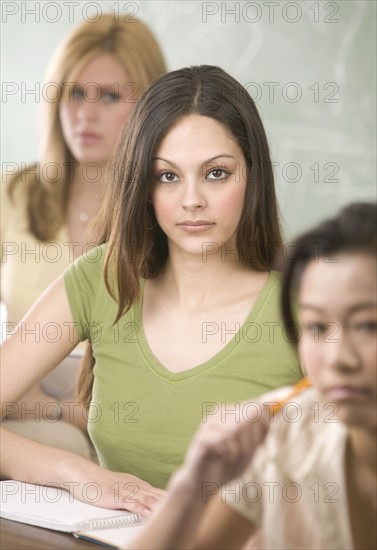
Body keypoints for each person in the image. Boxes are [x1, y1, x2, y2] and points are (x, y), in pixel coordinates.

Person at [1, 65, 303, 515]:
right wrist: (79, 474)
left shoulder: (304, 304)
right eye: (167, 176)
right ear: (142, 185)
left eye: (217, 173)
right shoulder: (100, 280)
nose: (192, 200)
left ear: (253, 176)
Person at [126, 202, 377, 549]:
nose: (338, 358)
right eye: (317, 326)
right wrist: (192, 485)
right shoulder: (285, 430)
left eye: (367, 325)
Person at [1, 13, 166, 449]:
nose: (85, 114)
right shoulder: (12, 193)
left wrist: (61, 411)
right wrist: (36, 403)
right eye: (74, 93)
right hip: (17, 396)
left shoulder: (170, 210)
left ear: (150, 106)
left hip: (122, 421)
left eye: (110, 96)